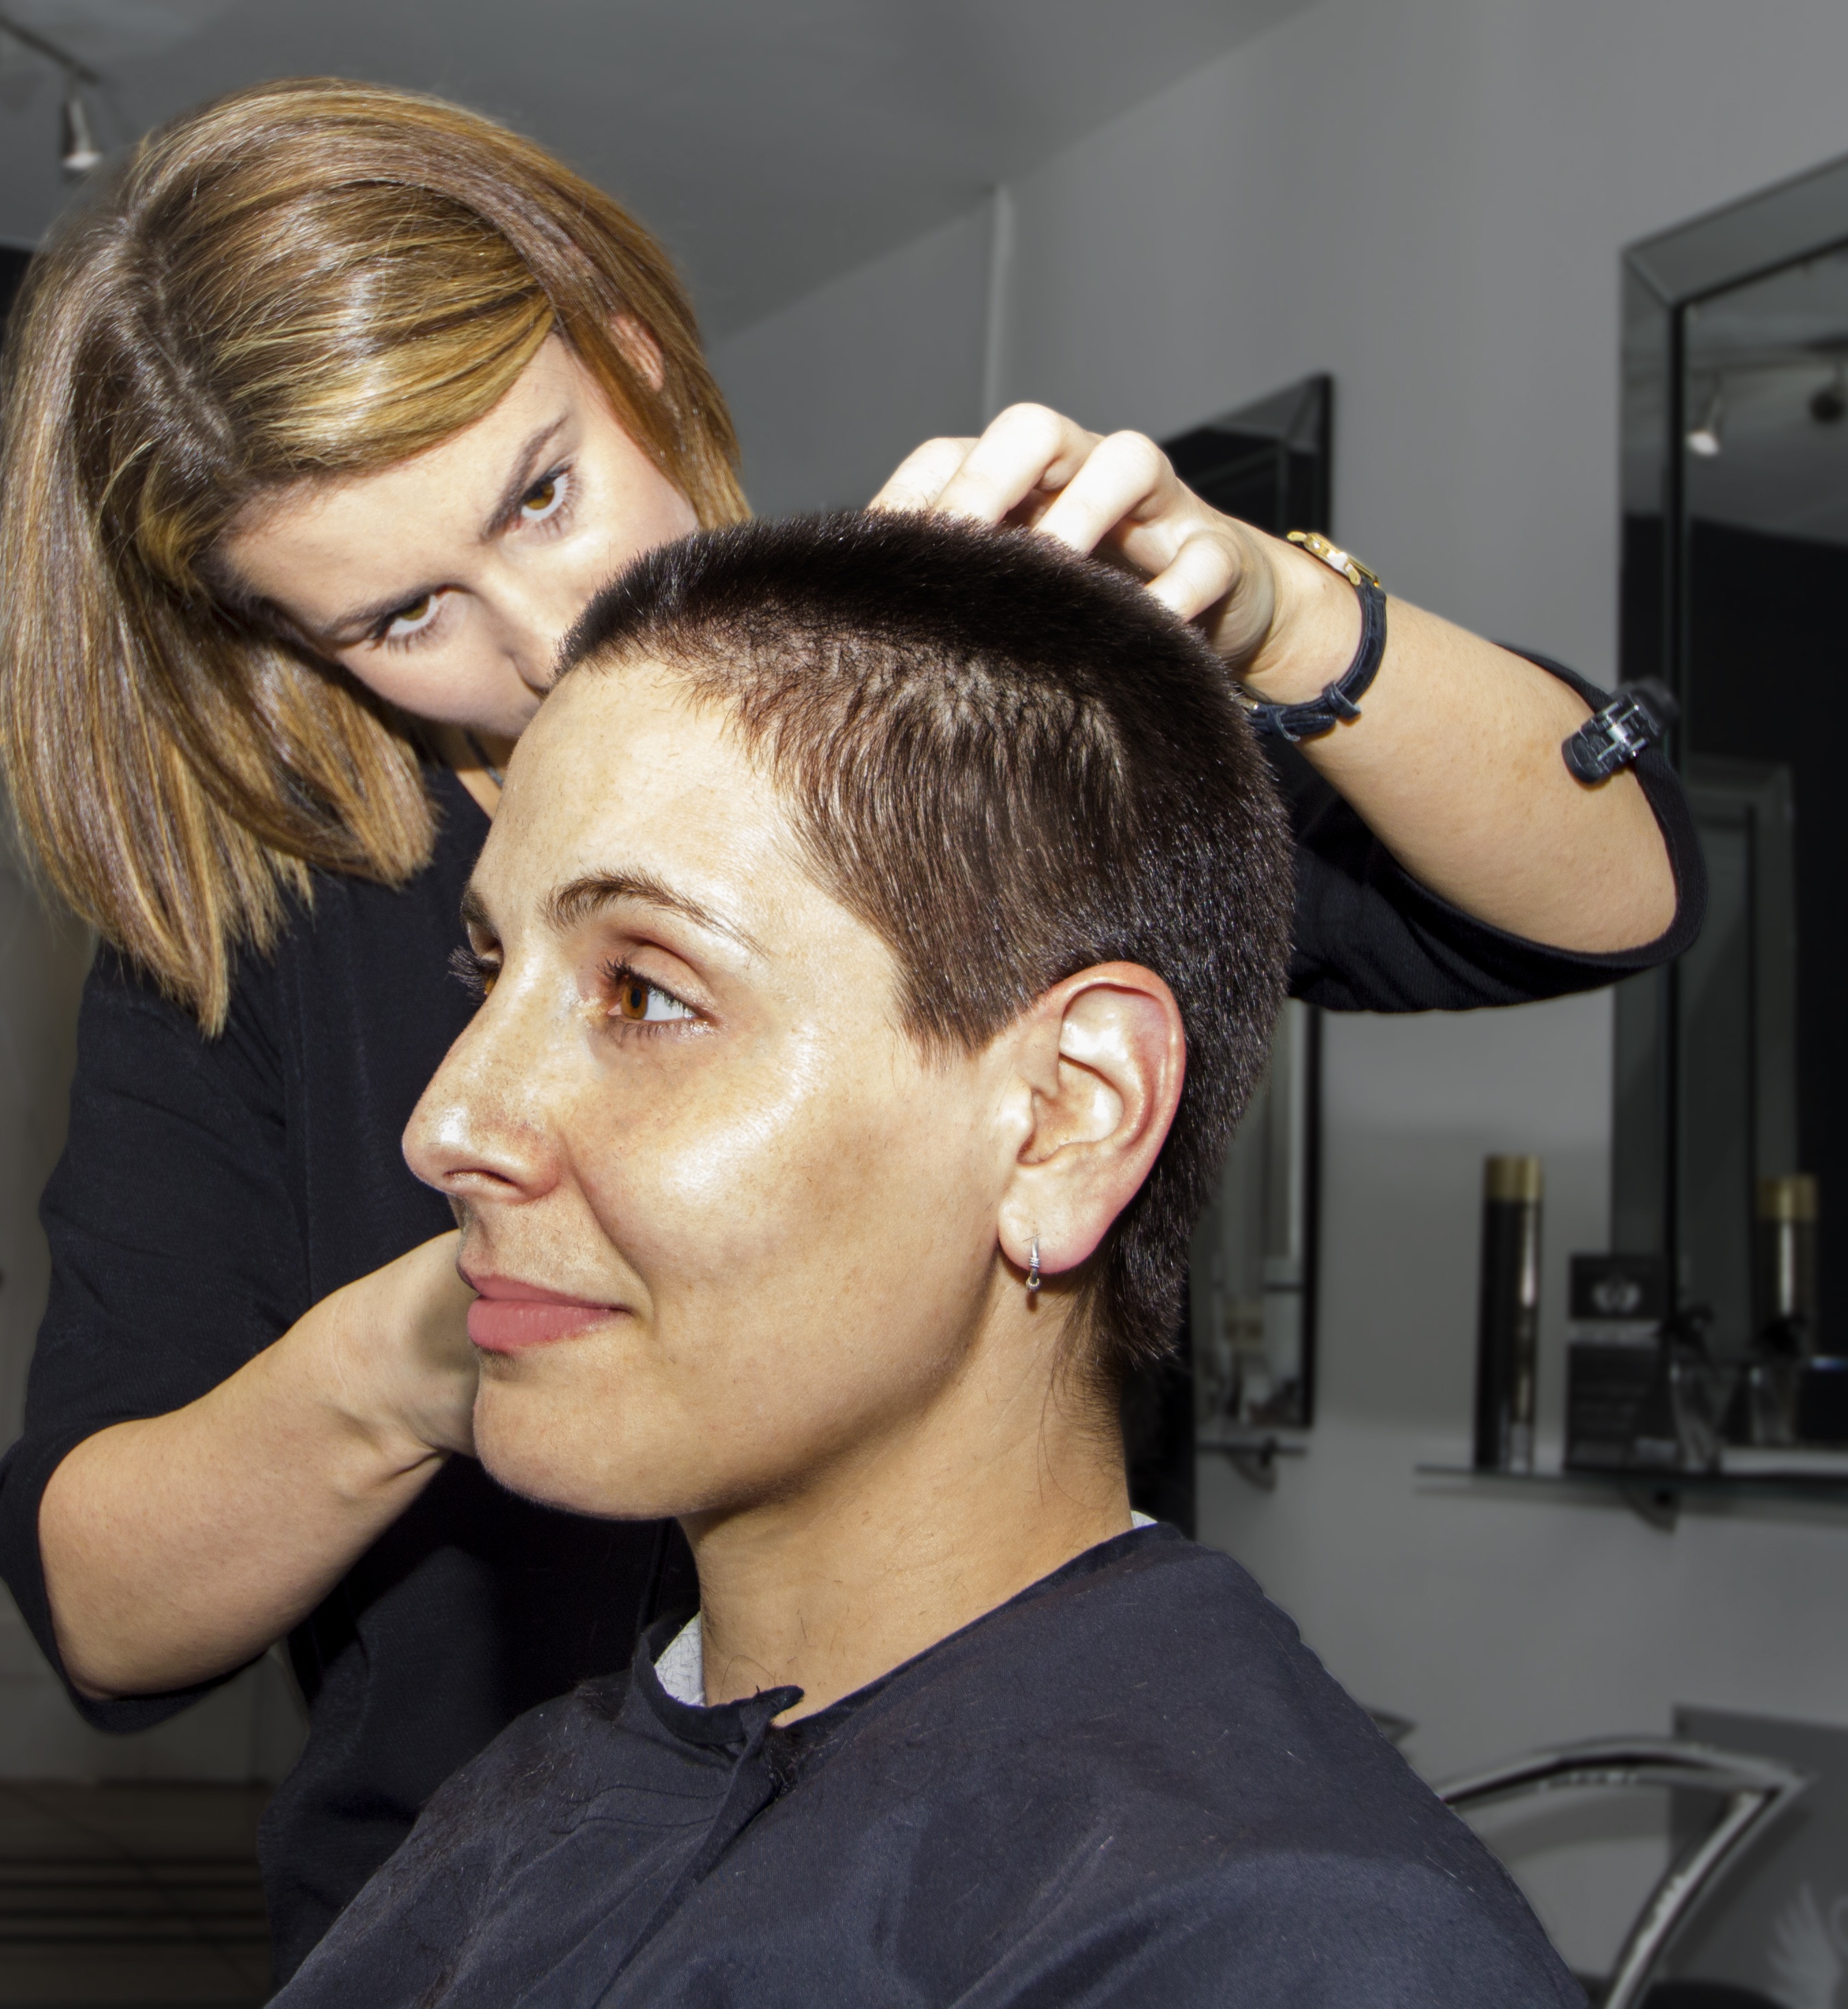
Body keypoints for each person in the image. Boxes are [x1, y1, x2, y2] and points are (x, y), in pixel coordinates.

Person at [0, 77, 1700, 1973]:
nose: (546, 631)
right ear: (301, 644)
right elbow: (109, 1604)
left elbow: (1612, 889)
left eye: (544, 490)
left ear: (630, 360)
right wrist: (447, 1328)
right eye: (405, 618)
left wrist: (1283, 615)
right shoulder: (259, 928)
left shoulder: (922, 731)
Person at [274, 508, 1580, 2008]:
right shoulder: (541, 1793)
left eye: (644, 992)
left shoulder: (1280, 1945)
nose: (446, 1123)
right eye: (485, 971)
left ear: (1060, 1122)